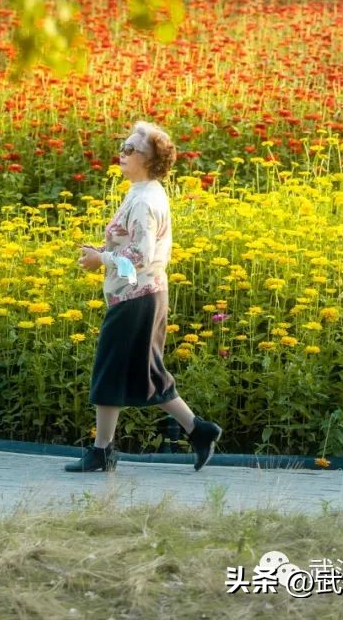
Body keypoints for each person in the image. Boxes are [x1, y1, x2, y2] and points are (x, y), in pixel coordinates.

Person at [64, 119, 223, 474]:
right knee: (146, 374)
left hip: (136, 299)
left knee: (109, 372)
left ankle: (102, 452)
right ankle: (199, 430)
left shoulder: (145, 201)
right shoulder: (142, 191)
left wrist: (101, 259)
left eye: (131, 150)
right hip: (144, 296)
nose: (122, 153)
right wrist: (104, 250)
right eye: (123, 146)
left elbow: (141, 256)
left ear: (149, 160)